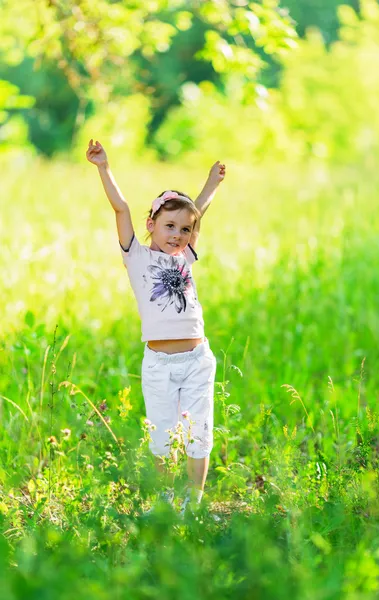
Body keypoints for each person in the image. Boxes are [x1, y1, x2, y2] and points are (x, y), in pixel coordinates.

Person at [86, 139, 226, 516]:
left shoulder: (186, 257)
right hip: (159, 365)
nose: (177, 235)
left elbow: (199, 213)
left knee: (200, 435)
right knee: (163, 438)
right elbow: (121, 206)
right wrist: (104, 167)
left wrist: (211, 185)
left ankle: (193, 505)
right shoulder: (136, 255)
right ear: (151, 225)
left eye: (184, 230)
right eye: (169, 226)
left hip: (197, 359)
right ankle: (167, 505)